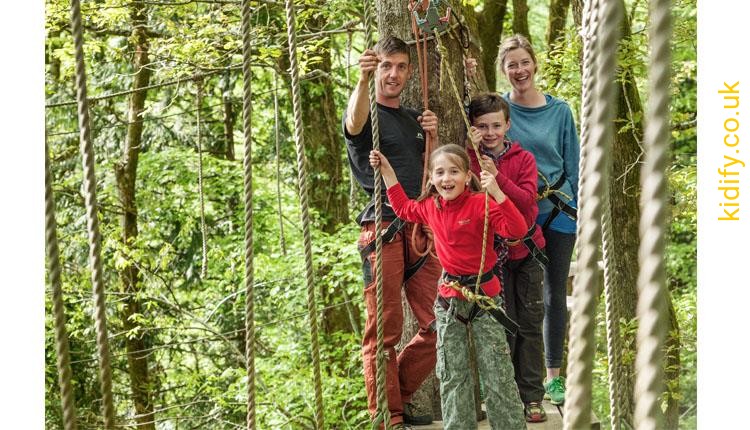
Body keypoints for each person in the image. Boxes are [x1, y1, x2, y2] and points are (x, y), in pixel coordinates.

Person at [369, 144, 527, 430]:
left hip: (484, 299)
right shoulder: (431, 207)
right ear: (431, 178)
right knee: (453, 373)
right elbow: (403, 208)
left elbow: (517, 230)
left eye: (454, 172)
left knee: (497, 373)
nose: (446, 178)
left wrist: (498, 193)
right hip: (450, 301)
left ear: (467, 176)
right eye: (440, 173)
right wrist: (388, 172)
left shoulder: (481, 203)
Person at [343, 35, 443, 428]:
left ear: (409, 71)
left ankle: (395, 394)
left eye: (401, 67)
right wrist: (363, 79)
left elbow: (432, 175)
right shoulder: (365, 112)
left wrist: (432, 138)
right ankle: (388, 417)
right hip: (382, 225)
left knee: (442, 319)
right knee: (384, 331)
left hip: (418, 228)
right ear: (376, 68)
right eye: (386, 66)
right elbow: (353, 123)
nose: (393, 74)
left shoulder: (414, 119)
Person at [498, 34, 581, 406]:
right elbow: (485, 136)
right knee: (515, 295)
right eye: (511, 65)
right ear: (504, 70)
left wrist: (581, 210)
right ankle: (514, 375)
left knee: (553, 295)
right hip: (519, 216)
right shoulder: (501, 111)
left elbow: (573, 162)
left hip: (559, 210)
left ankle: (553, 377)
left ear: (534, 64)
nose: (520, 71)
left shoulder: (559, 111)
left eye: (524, 62)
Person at [466, 93, 548, 422]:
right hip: (491, 256)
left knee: (529, 323)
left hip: (526, 251)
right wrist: (475, 160)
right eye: (482, 126)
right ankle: (506, 395)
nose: (490, 133)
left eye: (496, 126)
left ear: (507, 125)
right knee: (502, 325)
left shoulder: (523, 159)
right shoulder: (469, 159)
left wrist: (497, 177)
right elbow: (466, 196)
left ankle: (532, 396)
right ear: (474, 129)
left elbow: (527, 200)